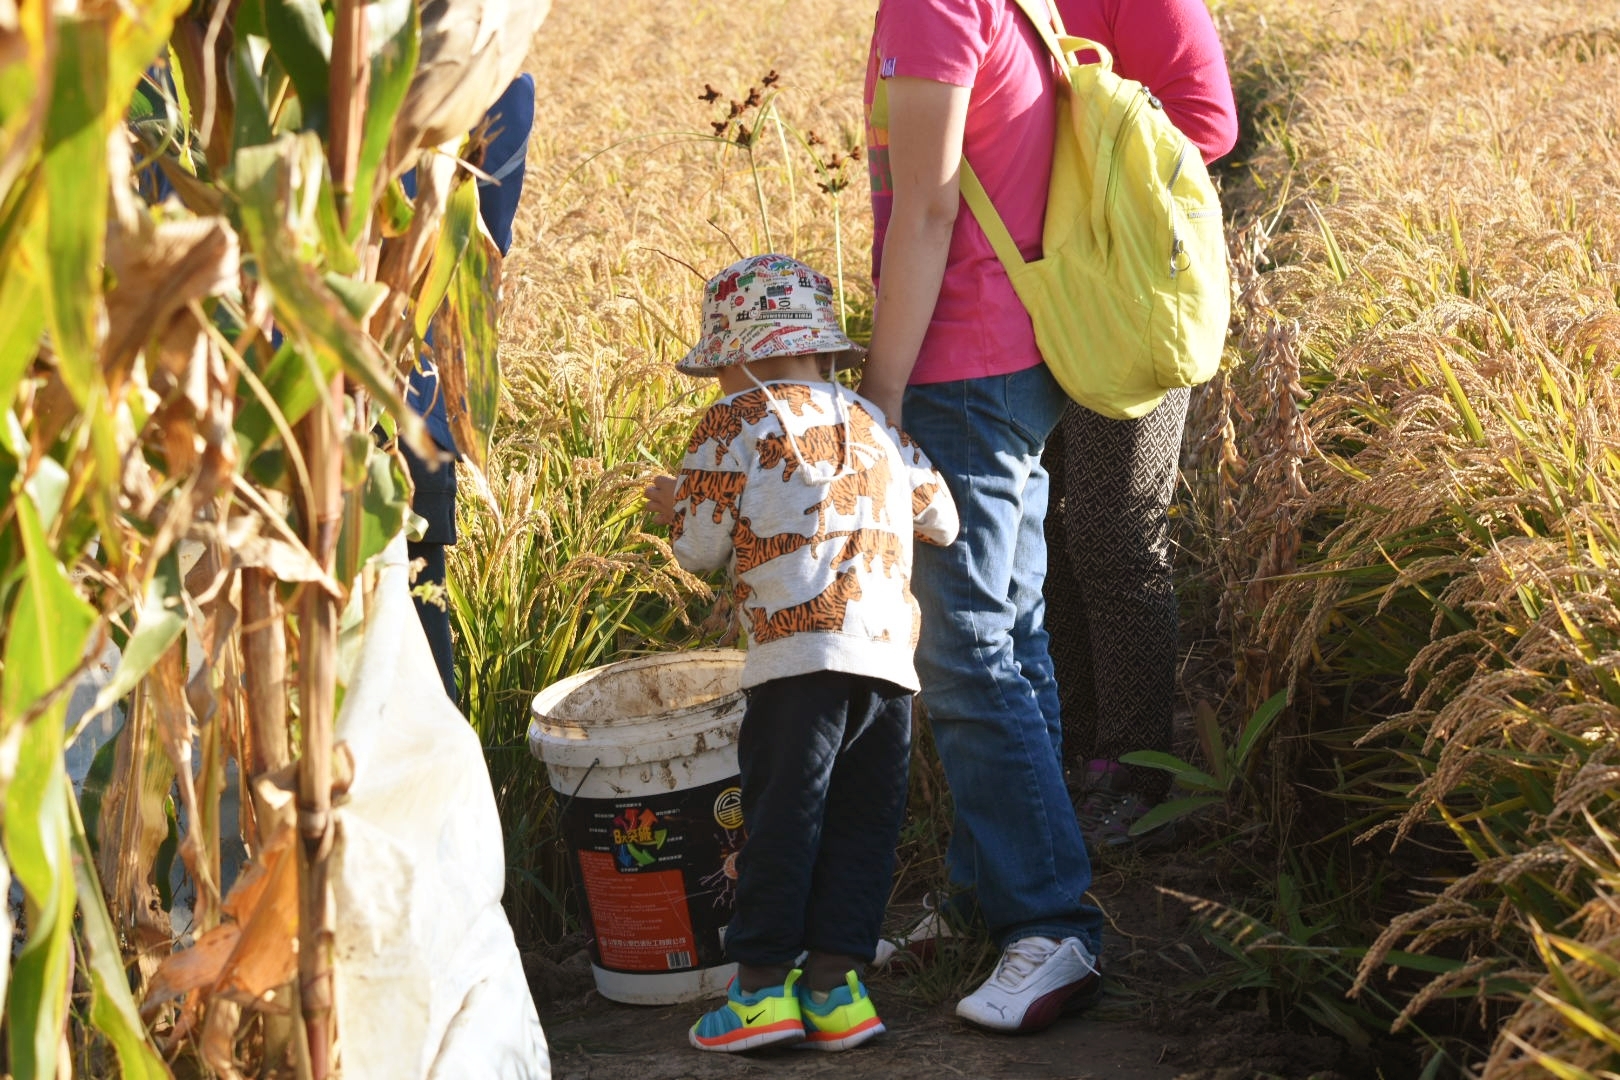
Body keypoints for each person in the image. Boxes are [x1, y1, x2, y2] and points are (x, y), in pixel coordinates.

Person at [857, 0, 1234, 1035]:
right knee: (1013, 636)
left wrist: (882, 401)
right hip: (1013, 358)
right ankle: (985, 892)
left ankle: (1052, 923)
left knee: (968, 648)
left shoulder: (930, 9)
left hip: (963, 364)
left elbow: (928, 212)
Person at [643, 253, 959, 1053]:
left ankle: (757, 996)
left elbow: (698, 550)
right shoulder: (873, 422)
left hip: (797, 658)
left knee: (784, 815)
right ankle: (836, 993)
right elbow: (944, 519)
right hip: (889, 662)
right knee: (863, 821)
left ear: (739, 354)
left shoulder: (734, 419)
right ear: (819, 348)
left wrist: (677, 505)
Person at [1041, 0, 1238, 851]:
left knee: (1112, 525)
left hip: (1131, 284)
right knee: (1045, 528)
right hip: (1034, 280)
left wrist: (1078, 145)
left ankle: (1135, 768)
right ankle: (1071, 747)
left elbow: (1206, 123)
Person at [403, 74, 534, 703]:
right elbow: (487, 238)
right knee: (422, 667)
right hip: (412, 409)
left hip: (372, 421)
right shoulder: (480, 66)